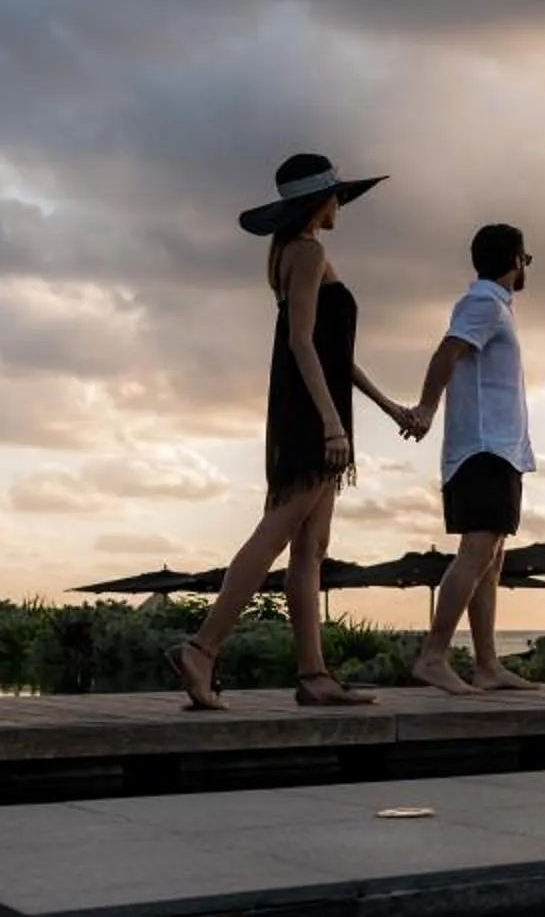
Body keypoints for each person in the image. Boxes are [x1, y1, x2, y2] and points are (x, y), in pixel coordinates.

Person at [170, 154, 421, 711]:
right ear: (318, 203)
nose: (341, 207)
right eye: (336, 198)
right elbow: (302, 343)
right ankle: (202, 647)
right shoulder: (307, 252)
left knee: (311, 546)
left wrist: (386, 407)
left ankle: (314, 676)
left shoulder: (290, 253)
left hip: (311, 402)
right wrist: (332, 422)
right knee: (279, 531)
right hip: (311, 411)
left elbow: (335, 354)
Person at [404, 223, 537, 695]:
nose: (527, 267)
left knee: (492, 558)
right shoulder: (482, 303)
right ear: (515, 260)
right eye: (526, 259)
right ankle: (434, 656)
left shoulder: (496, 306)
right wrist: (425, 407)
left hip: (500, 449)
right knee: (477, 552)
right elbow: (447, 352)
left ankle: (486, 665)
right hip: (483, 448)